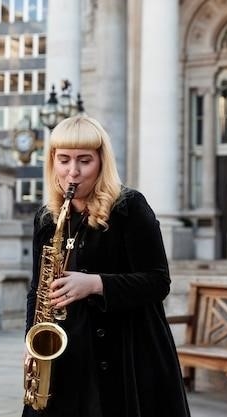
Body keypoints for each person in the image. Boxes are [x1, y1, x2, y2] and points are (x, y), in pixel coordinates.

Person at [23, 115, 190, 417]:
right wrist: (31, 340)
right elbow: (37, 288)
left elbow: (158, 281)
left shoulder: (130, 207)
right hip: (64, 352)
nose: (72, 172)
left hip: (125, 354)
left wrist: (96, 284)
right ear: (52, 162)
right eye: (64, 160)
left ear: (101, 162)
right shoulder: (47, 217)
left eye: (84, 161)